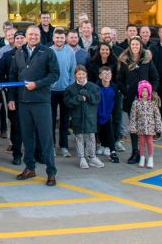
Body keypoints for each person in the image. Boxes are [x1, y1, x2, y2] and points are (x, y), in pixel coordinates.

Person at [8, 26, 60, 187]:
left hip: (41, 102)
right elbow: (12, 75)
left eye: (36, 34)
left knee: (46, 138)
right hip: (23, 103)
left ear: (40, 36)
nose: (33, 37)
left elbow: (54, 74)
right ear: (25, 36)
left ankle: (51, 172)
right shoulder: (18, 52)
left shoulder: (48, 52)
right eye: (30, 34)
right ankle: (30, 168)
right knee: (27, 137)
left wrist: (37, 84)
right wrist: (11, 98)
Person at [117, 36, 159, 165]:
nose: (135, 46)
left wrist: (151, 92)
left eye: (137, 44)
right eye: (133, 44)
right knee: (134, 127)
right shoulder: (124, 61)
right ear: (130, 46)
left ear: (141, 46)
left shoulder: (146, 60)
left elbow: (155, 77)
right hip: (131, 99)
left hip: (145, 101)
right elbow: (119, 80)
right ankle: (135, 152)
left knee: (144, 127)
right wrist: (126, 91)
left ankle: (146, 154)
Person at [64, 65, 103, 169]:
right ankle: (82, 158)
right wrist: (77, 98)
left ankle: (92, 157)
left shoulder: (93, 87)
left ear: (86, 74)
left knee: (91, 136)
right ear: (75, 75)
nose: (81, 76)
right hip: (77, 117)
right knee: (79, 137)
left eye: (83, 73)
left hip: (90, 117)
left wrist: (88, 95)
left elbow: (97, 100)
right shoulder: (70, 89)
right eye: (78, 74)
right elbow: (67, 103)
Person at [0, 30, 26, 165]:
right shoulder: (7, 55)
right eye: (17, 38)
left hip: (30, 95)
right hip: (13, 96)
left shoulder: (31, 54)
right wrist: (6, 87)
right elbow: (0, 73)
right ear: (13, 41)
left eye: (22, 38)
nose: (20, 40)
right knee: (16, 126)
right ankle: (17, 154)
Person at [50, 28, 76, 157]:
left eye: (61, 38)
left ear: (64, 38)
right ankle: (52, 146)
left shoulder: (70, 51)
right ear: (53, 38)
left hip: (65, 90)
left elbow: (73, 70)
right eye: (57, 37)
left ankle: (64, 146)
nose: (59, 40)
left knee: (65, 120)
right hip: (51, 91)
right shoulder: (49, 51)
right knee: (51, 120)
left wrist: (70, 87)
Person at [128, 80, 162, 169]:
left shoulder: (153, 103)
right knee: (141, 142)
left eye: (146, 91)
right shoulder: (136, 103)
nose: (144, 93)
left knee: (150, 142)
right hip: (140, 126)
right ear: (140, 91)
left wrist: (158, 126)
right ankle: (142, 157)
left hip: (150, 126)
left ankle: (150, 158)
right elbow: (133, 116)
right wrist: (133, 127)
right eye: (143, 91)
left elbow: (157, 116)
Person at [95, 67, 119, 163]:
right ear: (100, 76)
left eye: (109, 73)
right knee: (96, 132)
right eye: (105, 73)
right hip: (97, 114)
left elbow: (115, 102)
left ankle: (112, 150)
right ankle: (98, 147)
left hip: (108, 114)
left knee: (109, 131)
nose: (107, 75)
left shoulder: (114, 87)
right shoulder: (96, 87)